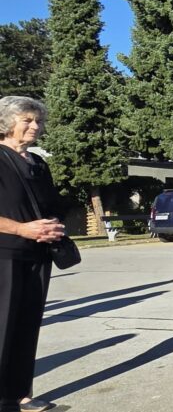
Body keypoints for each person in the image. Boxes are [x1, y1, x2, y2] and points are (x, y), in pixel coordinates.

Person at [0, 96, 65, 412]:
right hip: (5, 253)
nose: (35, 126)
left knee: (27, 326)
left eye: (38, 120)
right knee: (2, 325)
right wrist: (21, 229)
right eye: (27, 120)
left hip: (38, 254)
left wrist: (54, 226)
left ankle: (19, 394)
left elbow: (51, 205)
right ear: (5, 122)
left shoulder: (38, 163)